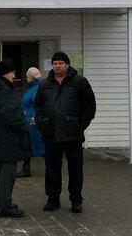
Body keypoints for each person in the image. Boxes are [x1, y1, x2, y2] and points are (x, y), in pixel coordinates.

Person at [34, 51, 96, 214]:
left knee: (75, 170)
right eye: (55, 63)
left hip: (72, 135)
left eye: (60, 63)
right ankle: (52, 199)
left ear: (67, 64)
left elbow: (89, 106)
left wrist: (80, 125)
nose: (57, 66)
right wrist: (42, 123)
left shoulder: (80, 82)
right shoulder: (44, 84)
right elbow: (38, 106)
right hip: (51, 134)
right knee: (52, 170)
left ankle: (76, 200)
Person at [0, 59, 29, 218]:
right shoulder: (3, 90)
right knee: (7, 172)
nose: (13, 76)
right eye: (12, 72)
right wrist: (22, 127)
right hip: (7, 137)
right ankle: (5, 205)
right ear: (5, 73)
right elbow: (10, 114)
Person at [17, 66, 44, 178]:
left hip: (32, 124)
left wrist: (33, 118)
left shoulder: (36, 89)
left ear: (32, 77)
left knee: (37, 146)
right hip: (28, 122)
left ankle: (52, 168)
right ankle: (26, 168)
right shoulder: (33, 87)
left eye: (27, 76)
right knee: (28, 146)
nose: (26, 78)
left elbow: (37, 104)